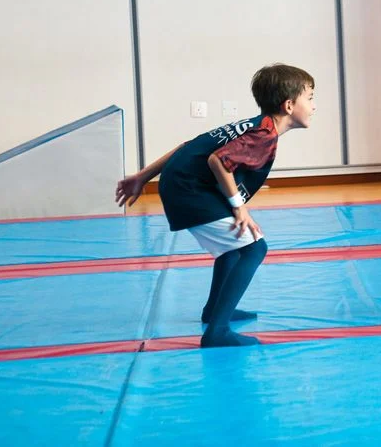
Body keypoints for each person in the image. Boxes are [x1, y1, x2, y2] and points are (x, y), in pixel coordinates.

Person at [115, 63, 315, 347]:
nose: (314, 106)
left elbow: (189, 146)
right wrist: (239, 207)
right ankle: (217, 332)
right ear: (289, 105)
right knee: (254, 248)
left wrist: (142, 176)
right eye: (310, 98)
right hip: (189, 190)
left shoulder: (254, 125)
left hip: (185, 185)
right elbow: (218, 160)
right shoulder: (263, 134)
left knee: (233, 247)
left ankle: (214, 312)